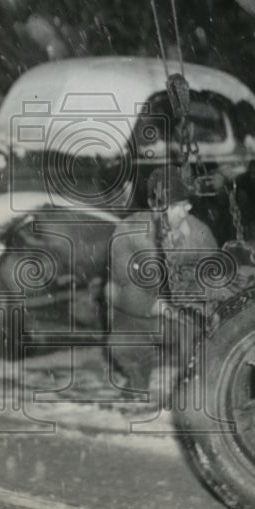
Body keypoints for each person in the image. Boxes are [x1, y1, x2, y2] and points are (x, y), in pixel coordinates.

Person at [105, 167, 221, 392]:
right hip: (145, 311)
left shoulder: (200, 234)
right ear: (153, 205)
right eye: (175, 206)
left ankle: (191, 386)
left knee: (204, 342)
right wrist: (162, 308)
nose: (184, 211)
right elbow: (121, 289)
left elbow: (214, 279)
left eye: (186, 204)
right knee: (124, 344)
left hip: (188, 312)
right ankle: (137, 383)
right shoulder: (128, 232)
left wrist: (203, 307)